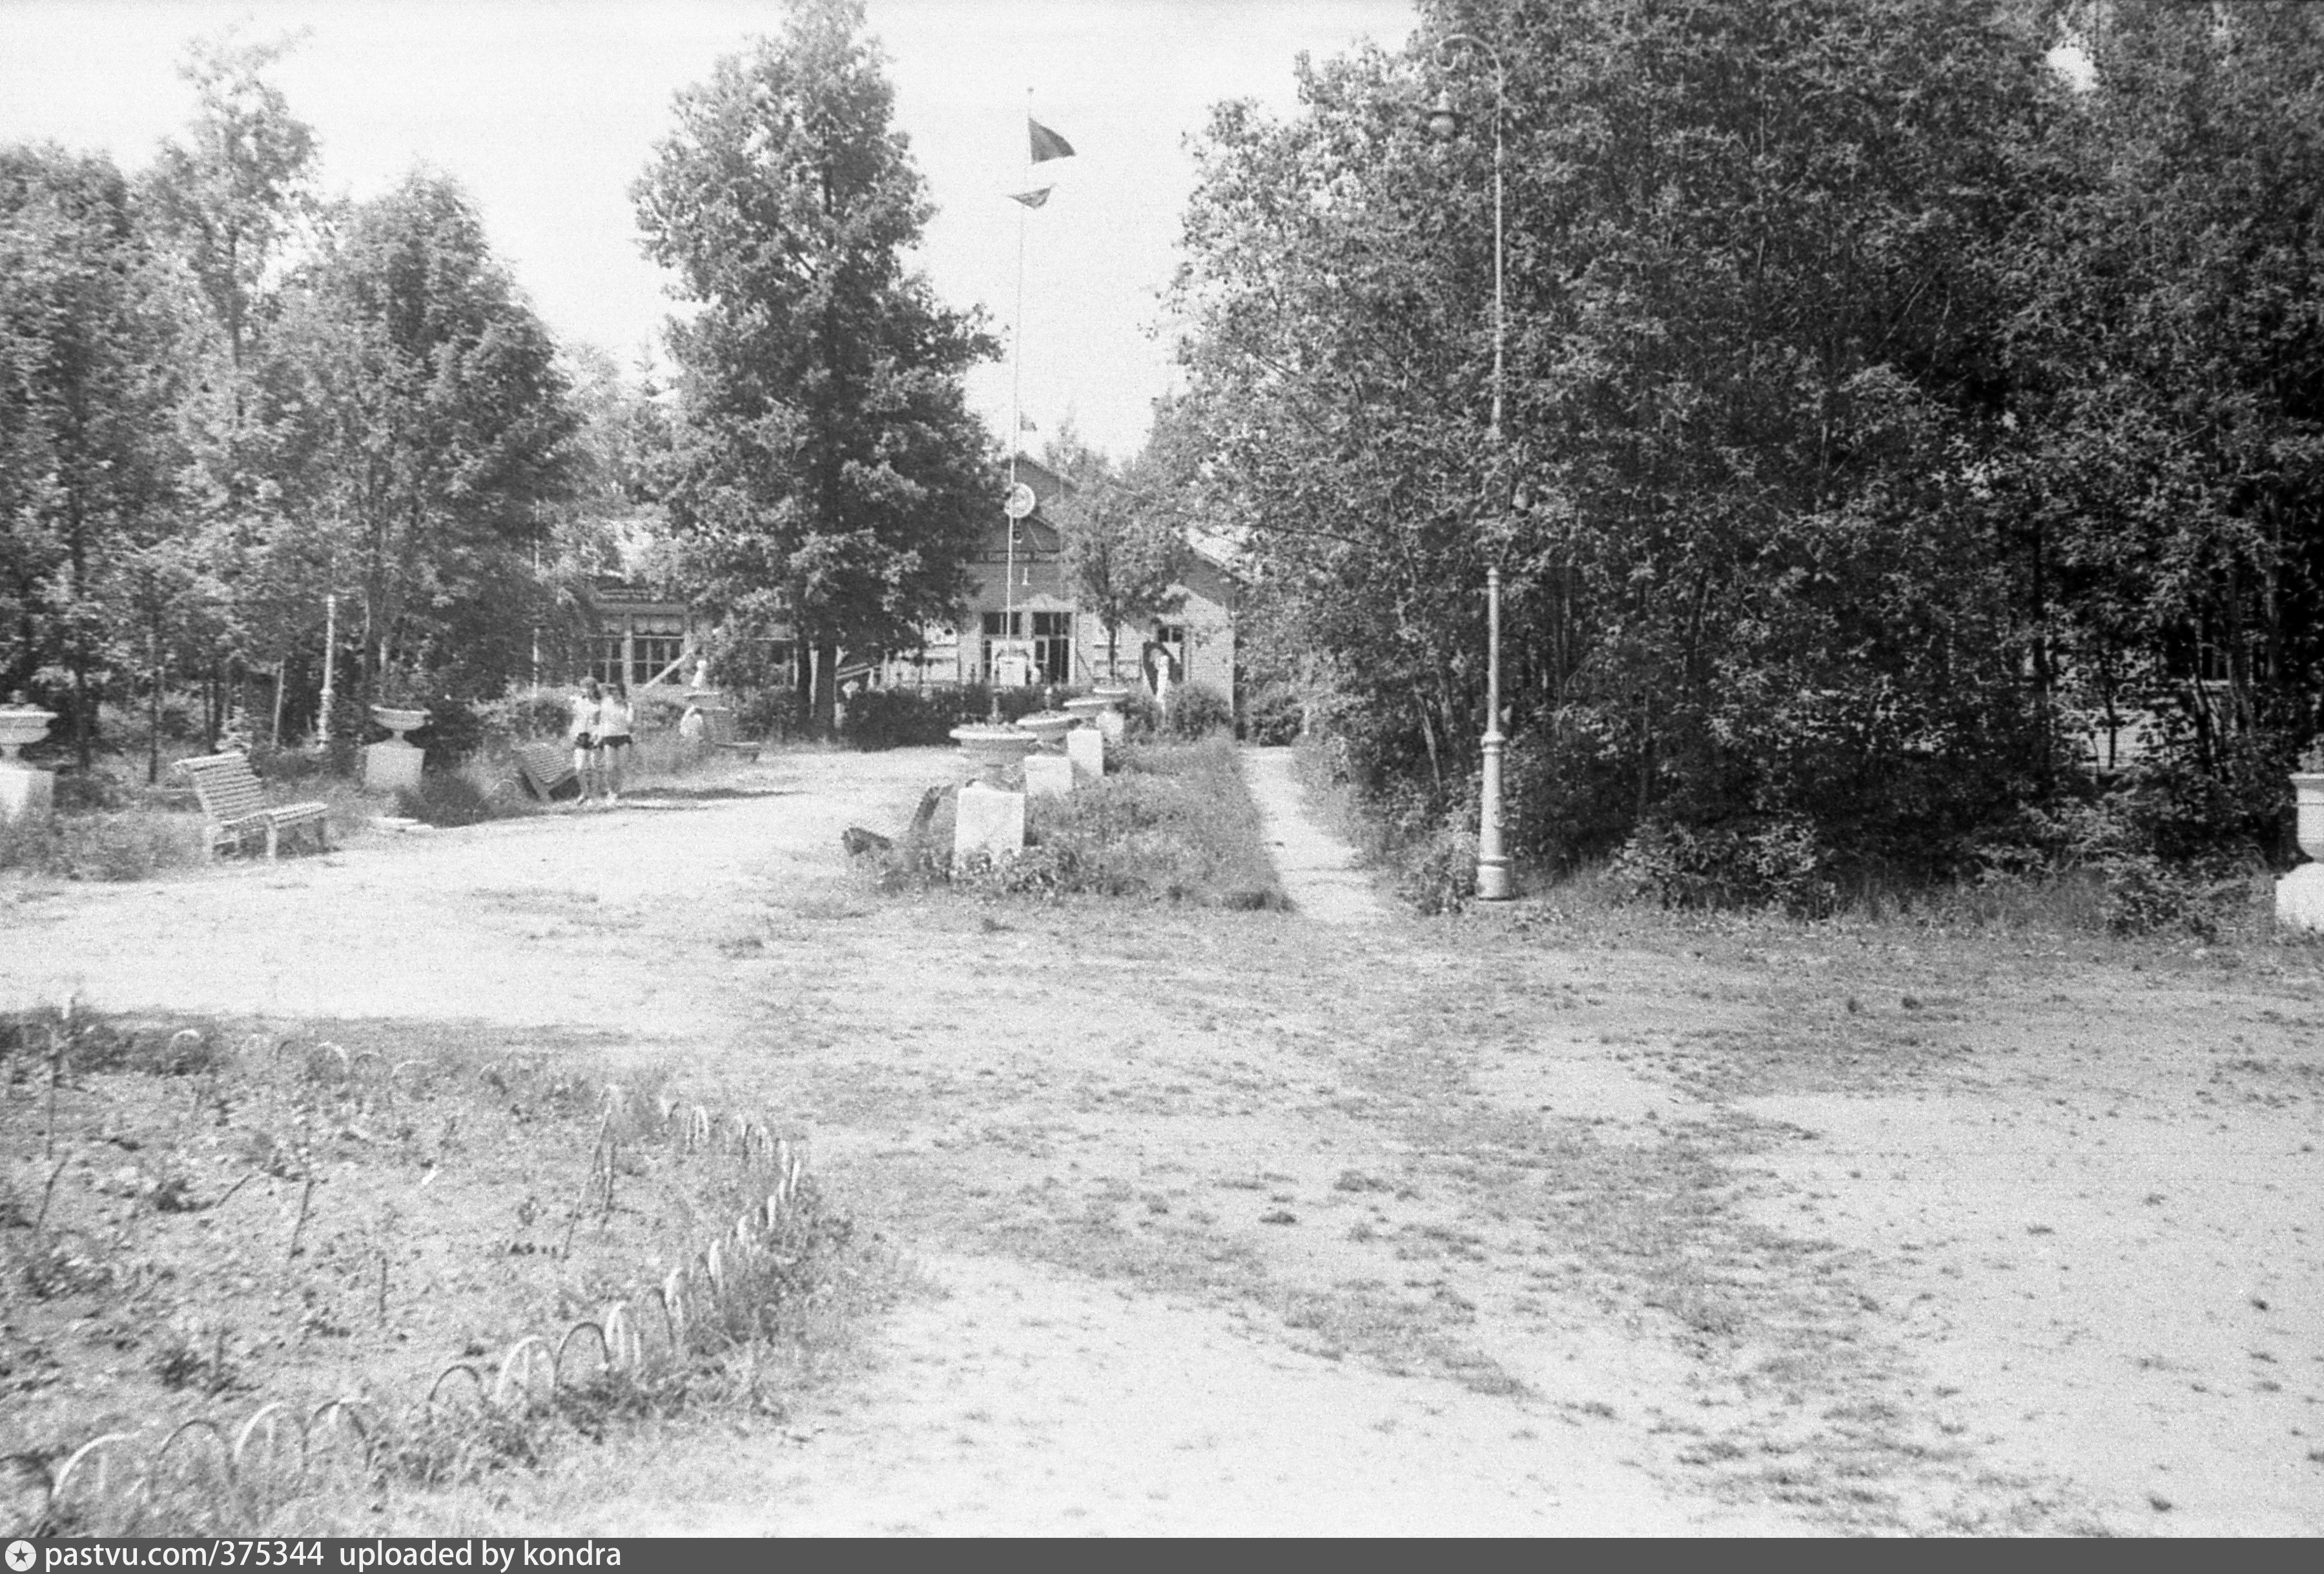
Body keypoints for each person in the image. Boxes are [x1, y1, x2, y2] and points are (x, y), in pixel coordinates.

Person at [595, 680, 635, 804]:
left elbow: (630, 723)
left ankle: (617, 791)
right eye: (612, 692)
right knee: (610, 767)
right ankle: (611, 791)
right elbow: (602, 721)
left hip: (623, 736)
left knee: (621, 767)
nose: (614, 694)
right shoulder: (606, 703)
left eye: (617, 691)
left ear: (621, 692)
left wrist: (626, 707)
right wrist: (598, 737)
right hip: (608, 736)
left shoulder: (627, 705)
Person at [569, 679, 602, 802]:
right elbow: (575, 719)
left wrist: (599, 735)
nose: (586, 691)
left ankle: (593, 796)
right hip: (581, 735)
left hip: (594, 736)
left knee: (594, 767)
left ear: (593, 689)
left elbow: (602, 722)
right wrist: (573, 733)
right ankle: (584, 792)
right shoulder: (578, 702)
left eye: (588, 688)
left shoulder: (599, 704)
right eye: (584, 688)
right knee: (579, 767)